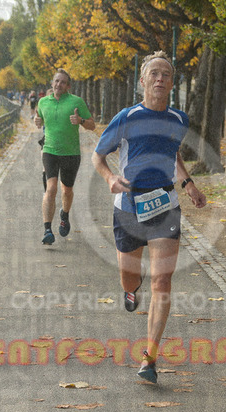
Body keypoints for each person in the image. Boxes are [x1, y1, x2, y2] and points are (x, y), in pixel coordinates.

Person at [92, 51, 206, 383]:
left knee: (162, 281)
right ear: (142, 81)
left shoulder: (179, 119)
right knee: (130, 278)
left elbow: (173, 153)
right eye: (154, 73)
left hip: (165, 205)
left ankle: (149, 358)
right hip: (128, 207)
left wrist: (188, 183)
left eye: (166, 74)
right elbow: (98, 156)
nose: (160, 79)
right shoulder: (127, 117)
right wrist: (110, 178)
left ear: (172, 83)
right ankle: (131, 290)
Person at [34, 69, 95, 245]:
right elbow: (39, 119)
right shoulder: (43, 102)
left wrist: (80, 121)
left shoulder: (77, 102)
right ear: (52, 83)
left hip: (71, 153)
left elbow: (92, 125)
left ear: (68, 86)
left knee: (67, 190)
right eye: (56, 81)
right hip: (49, 151)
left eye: (62, 82)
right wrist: (37, 121)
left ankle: (64, 215)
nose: (58, 84)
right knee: (51, 188)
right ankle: (47, 230)